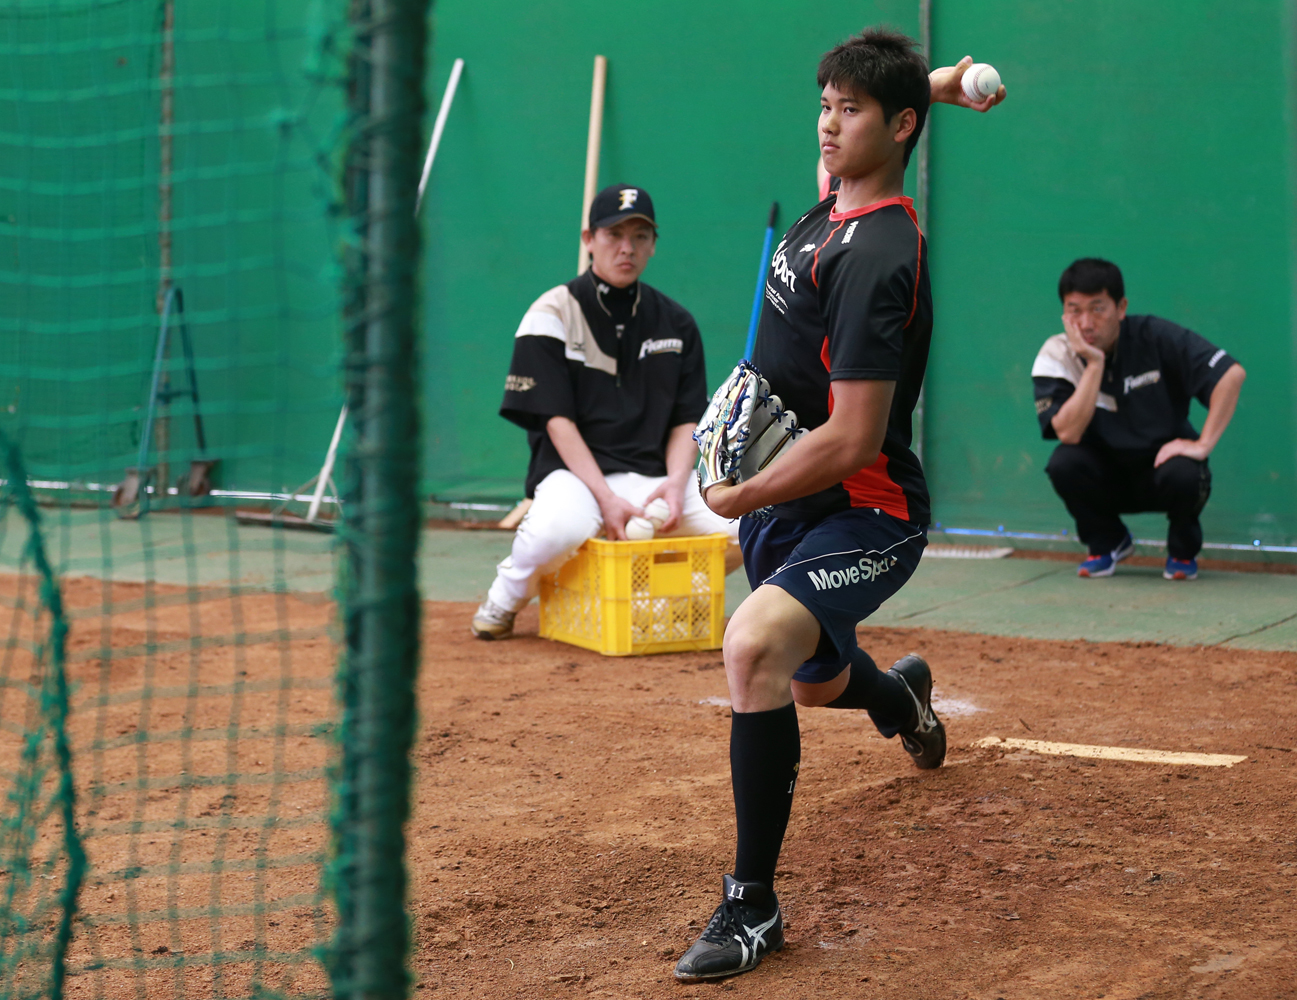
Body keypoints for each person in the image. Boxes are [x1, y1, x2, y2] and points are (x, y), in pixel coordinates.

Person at [673, 30, 1004, 981]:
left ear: (893, 129)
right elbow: (892, 116)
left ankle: (751, 908)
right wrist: (937, 82)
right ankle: (898, 696)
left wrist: (736, 493)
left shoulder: (878, 256)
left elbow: (854, 440)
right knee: (817, 683)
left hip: (863, 509)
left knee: (752, 645)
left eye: (849, 110)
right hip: (794, 506)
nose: (826, 124)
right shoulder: (833, 207)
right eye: (823, 103)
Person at [471, 184, 740, 640]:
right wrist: (605, 498)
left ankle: (666, 596)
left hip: (656, 477)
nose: (626, 247)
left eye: (639, 236)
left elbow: (685, 421)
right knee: (559, 529)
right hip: (574, 475)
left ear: (653, 245)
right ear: (588, 239)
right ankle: (504, 600)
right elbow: (557, 421)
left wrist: (677, 485)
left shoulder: (677, 322)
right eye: (614, 234)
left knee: (751, 527)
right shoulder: (551, 312)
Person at [1032, 258, 1246, 580]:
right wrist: (1094, 365)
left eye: (1098, 308)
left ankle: (1182, 553)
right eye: (1074, 310)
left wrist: (1203, 444)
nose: (1086, 322)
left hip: (1161, 470)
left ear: (1121, 308)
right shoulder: (1056, 354)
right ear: (1064, 314)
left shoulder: (1155, 336)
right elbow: (1068, 433)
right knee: (1064, 462)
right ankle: (1107, 543)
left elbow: (1231, 374)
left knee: (1187, 473)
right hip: (1105, 475)